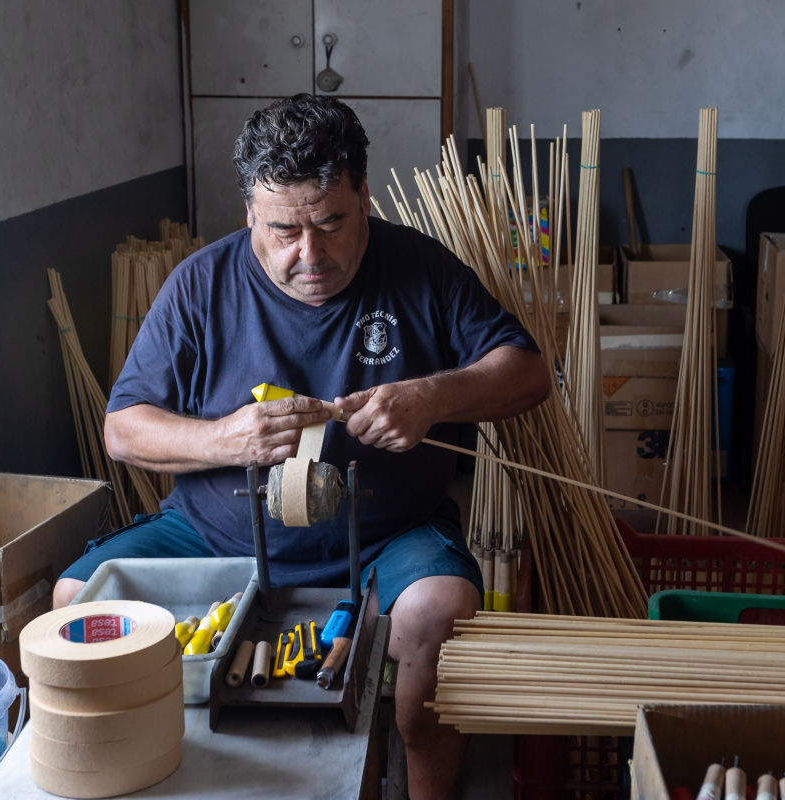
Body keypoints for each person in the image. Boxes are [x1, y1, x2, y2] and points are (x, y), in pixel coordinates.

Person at [52, 94, 551, 798]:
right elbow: (123, 427)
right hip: (214, 534)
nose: (308, 254)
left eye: (331, 223)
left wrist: (433, 397)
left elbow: (527, 374)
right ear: (249, 213)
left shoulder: (419, 268)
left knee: (437, 610)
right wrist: (224, 438)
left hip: (388, 534)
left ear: (364, 198)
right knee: (77, 598)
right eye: (283, 230)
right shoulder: (201, 285)